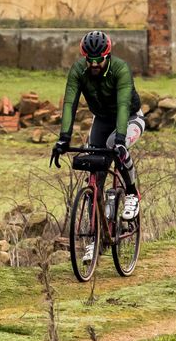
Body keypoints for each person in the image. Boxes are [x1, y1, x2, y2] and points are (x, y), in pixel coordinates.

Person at [50, 30, 145, 222]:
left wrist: (120, 140)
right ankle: (96, 232)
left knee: (113, 145)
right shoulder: (78, 71)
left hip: (129, 117)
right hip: (101, 119)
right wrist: (63, 138)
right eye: (89, 59)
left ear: (107, 55)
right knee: (95, 168)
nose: (94, 64)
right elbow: (70, 104)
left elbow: (123, 105)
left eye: (98, 60)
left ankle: (132, 193)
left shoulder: (120, 69)